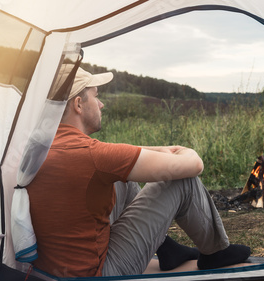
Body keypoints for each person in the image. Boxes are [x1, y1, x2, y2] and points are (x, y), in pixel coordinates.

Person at [26, 64, 251, 278]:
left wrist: (156, 150)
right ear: (78, 104)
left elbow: (116, 157)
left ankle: (167, 249)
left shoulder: (35, 150)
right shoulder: (94, 155)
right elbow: (195, 165)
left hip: (49, 272)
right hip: (99, 275)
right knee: (181, 180)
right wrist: (185, 150)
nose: (101, 104)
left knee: (121, 177)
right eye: (96, 96)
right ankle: (216, 252)